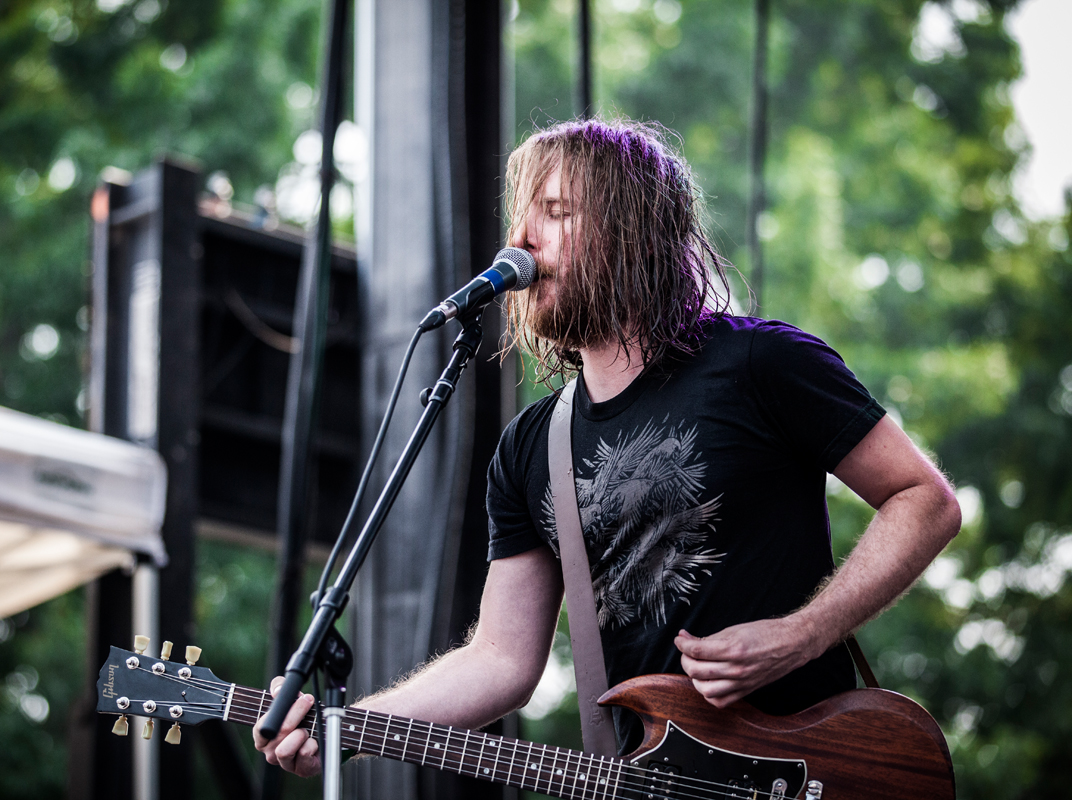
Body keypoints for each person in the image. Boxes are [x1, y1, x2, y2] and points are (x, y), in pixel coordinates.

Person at [255, 118, 961, 775]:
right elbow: (501, 658)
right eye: (520, 218)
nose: (521, 243)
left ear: (634, 231)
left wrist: (803, 634)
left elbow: (924, 498)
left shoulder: (761, 364)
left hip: (814, 770)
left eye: (556, 213)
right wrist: (351, 726)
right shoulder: (532, 448)